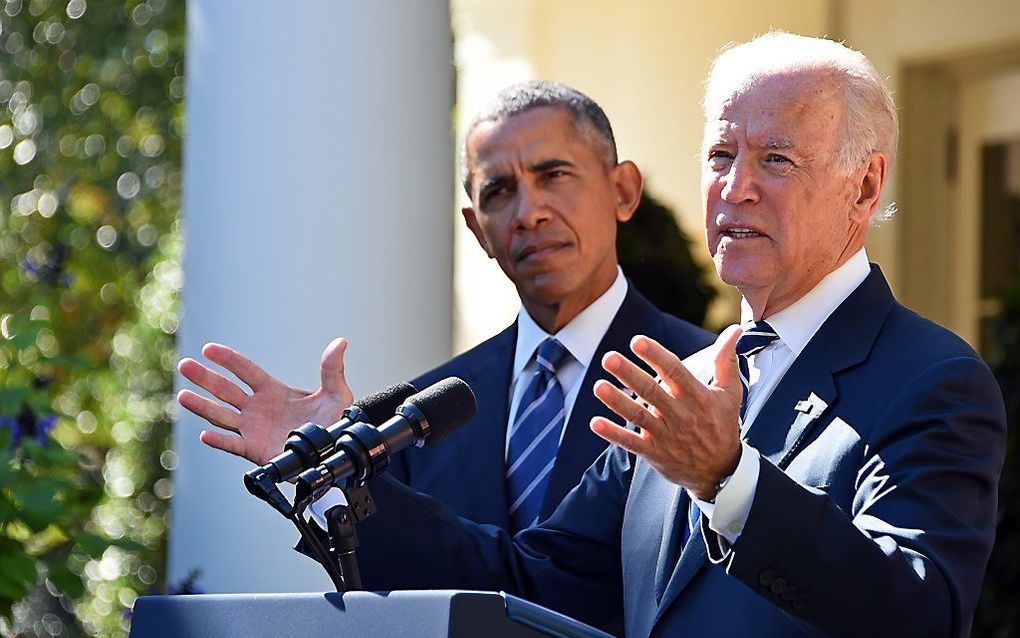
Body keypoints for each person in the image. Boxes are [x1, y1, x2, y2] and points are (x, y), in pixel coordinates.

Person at [330, 33, 1006, 638]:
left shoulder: (932, 379)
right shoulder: (679, 385)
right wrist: (340, 483)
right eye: (720, 154)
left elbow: (919, 613)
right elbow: (532, 582)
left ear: (863, 187)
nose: (735, 188)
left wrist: (731, 481)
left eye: (776, 159)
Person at [177, 81, 713, 533]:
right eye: (499, 191)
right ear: (477, 229)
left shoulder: (709, 378)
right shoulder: (421, 415)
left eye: (553, 176)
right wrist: (330, 468)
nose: (529, 213)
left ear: (623, 191)